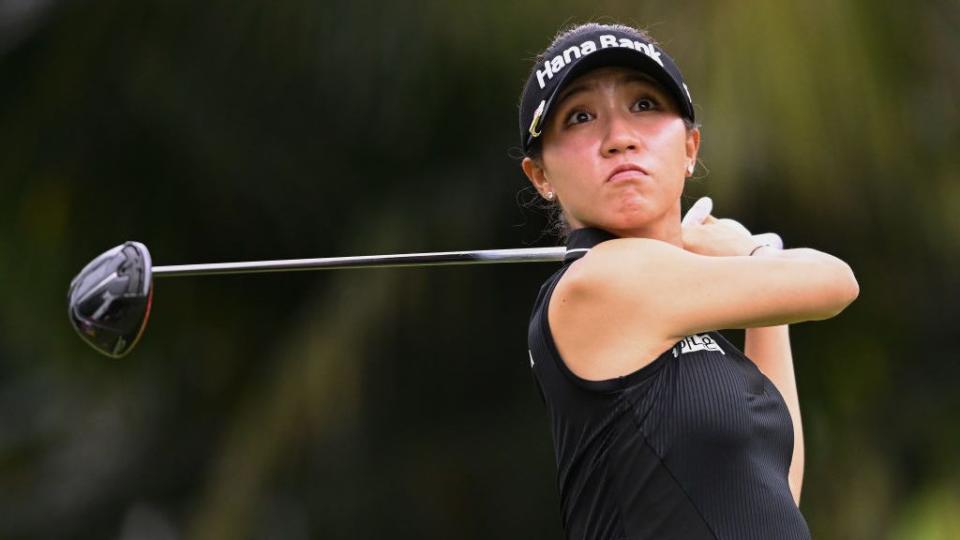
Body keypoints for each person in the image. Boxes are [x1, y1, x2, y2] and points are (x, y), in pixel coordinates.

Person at [519, 23, 859, 540]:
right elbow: (836, 283)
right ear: (540, 175)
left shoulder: (695, 325)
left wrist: (759, 290)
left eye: (644, 106)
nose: (620, 138)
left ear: (690, 147)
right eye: (581, 117)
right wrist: (752, 251)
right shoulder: (600, 281)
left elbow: (771, 494)